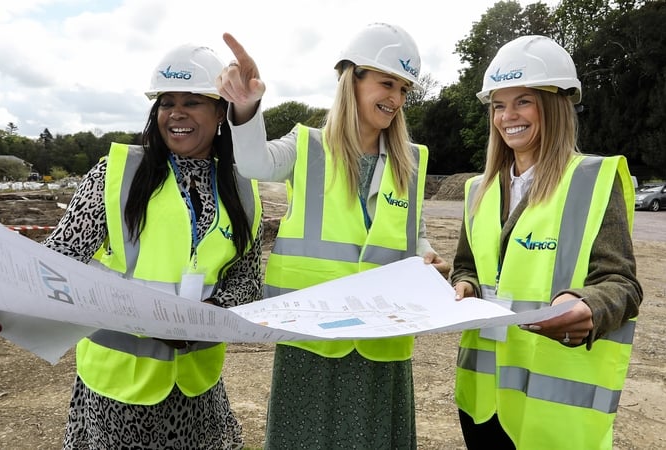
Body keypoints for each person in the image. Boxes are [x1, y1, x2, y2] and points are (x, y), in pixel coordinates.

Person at [0, 43, 264, 450]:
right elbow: (56, 261)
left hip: (197, 384)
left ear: (221, 111)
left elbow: (246, 279)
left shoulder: (241, 187)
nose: (176, 112)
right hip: (117, 391)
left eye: (193, 101)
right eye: (166, 102)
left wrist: (210, 314)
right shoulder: (116, 175)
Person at [217, 23, 450, 449]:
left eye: (403, 89)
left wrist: (429, 256)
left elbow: (413, 234)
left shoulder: (410, 162)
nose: (395, 98)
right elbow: (253, 163)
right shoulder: (306, 146)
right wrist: (247, 108)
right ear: (351, 79)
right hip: (313, 342)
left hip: (383, 342)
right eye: (386, 83)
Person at [450, 35, 642, 449]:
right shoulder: (478, 191)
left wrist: (587, 305)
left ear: (555, 104)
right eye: (499, 105)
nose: (507, 117)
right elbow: (467, 266)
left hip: (554, 411)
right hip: (483, 403)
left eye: (523, 101)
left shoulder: (591, 182)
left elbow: (622, 285)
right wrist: (463, 285)